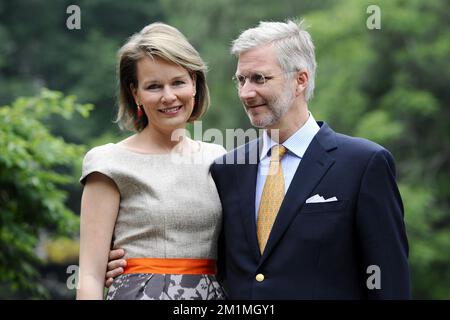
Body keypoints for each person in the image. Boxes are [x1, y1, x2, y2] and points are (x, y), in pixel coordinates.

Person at [107, 19, 411, 299]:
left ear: (300, 80)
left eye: (259, 79)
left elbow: (390, 283)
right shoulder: (228, 169)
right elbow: (206, 254)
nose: (246, 92)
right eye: (241, 80)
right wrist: (129, 264)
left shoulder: (363, 164)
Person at [76, 22, 226, 300]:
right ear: (136, 94)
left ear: (194, 83)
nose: (168, 97)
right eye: (154, 86)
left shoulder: (220, 159)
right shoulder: (109, 163)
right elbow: (90, 276)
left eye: (178, 82)